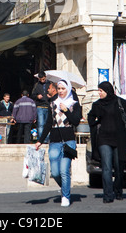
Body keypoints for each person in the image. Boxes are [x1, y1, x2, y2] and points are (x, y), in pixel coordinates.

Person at [88, 81, 126, 203]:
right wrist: (95, 122)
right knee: (106, 167)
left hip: (119, 138)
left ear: (107, 91)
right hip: (103, 139)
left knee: (119, 166)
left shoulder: (120, 102)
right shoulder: (97, 105)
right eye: (98, 90)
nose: (99, 93)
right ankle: (108, 194)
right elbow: (90, 117)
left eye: (101, 91)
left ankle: (118, 190)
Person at [35, 79, 82, 207]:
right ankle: (64, 188)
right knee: (55, 172)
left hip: (68, 140)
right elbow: (48, 123)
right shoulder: (53, 103)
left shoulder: (74, 104)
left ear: (68, 89)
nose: (61, 91)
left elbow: (76, 121)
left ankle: (65, 196)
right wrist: (40, 140)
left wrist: (66, 110)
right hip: (55, 140)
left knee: (64, 170)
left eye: (63, 89)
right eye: (59, 89)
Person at [32, 71, 51, 142]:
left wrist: (50, 96)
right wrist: (37, 96)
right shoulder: (36, 85)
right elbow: (32, 95)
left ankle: (47, 139)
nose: (42, 80)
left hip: (48, 106)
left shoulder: (50, 84)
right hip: (40, 106)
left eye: (43, 79)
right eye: (41, 79)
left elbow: (54, 93)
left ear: (45, 77)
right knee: (40, 124)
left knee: (47, 124)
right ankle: (41, 140)